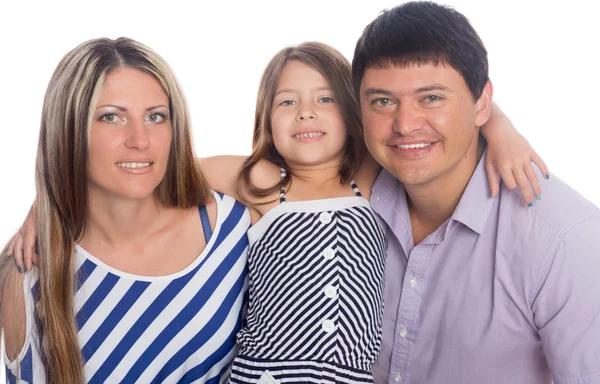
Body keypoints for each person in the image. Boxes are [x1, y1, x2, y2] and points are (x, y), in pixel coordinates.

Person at [6, 39, 548, 384]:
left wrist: (500, 129)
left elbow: (433, 94)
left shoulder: (376, 177)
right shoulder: (260, 182)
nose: (306, 112)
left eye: (324, 99)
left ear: (356, 110)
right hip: (261, 375)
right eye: (287, 101)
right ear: (266, 117)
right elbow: (140, 163)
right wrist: (44, 205)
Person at [352, 1, 600, 383]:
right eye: (383, 101)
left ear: (483, 102)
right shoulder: (349, 200)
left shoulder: (564, 240)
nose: (404, 124)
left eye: (431, 98)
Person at [0, 37, 251, 383]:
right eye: (111, 117)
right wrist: (49, 200)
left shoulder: (231, 228)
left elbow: (322, 178)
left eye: (155, 117)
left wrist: (46, 200)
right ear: (70, 130)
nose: (140, 139)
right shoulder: (30, 275)